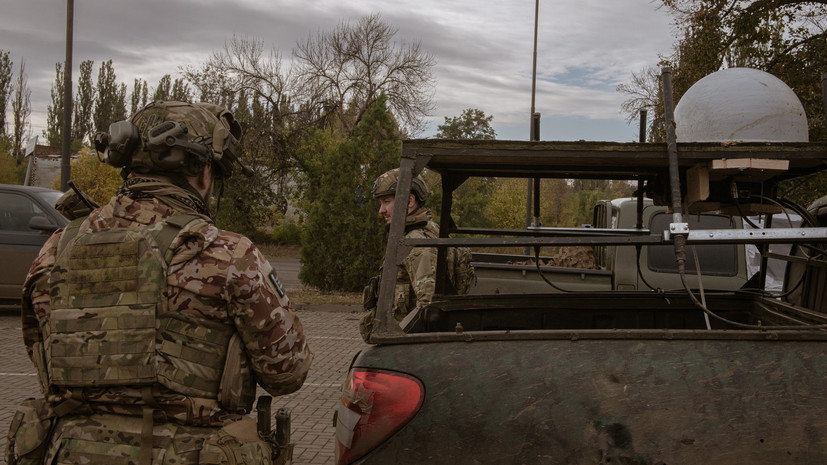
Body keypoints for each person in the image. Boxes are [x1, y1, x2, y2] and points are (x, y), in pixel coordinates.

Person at [8, 101, 313, 465]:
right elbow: (288, 373)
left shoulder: (58, 247)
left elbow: (37, 347)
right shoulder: (229, 255)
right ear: (203, 172)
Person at [360, 168, 474, 341]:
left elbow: (429, 309)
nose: (381, 210)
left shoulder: (415, 242)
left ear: (409, 201)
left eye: (386, 201)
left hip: (407, 343)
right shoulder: (432, 230)